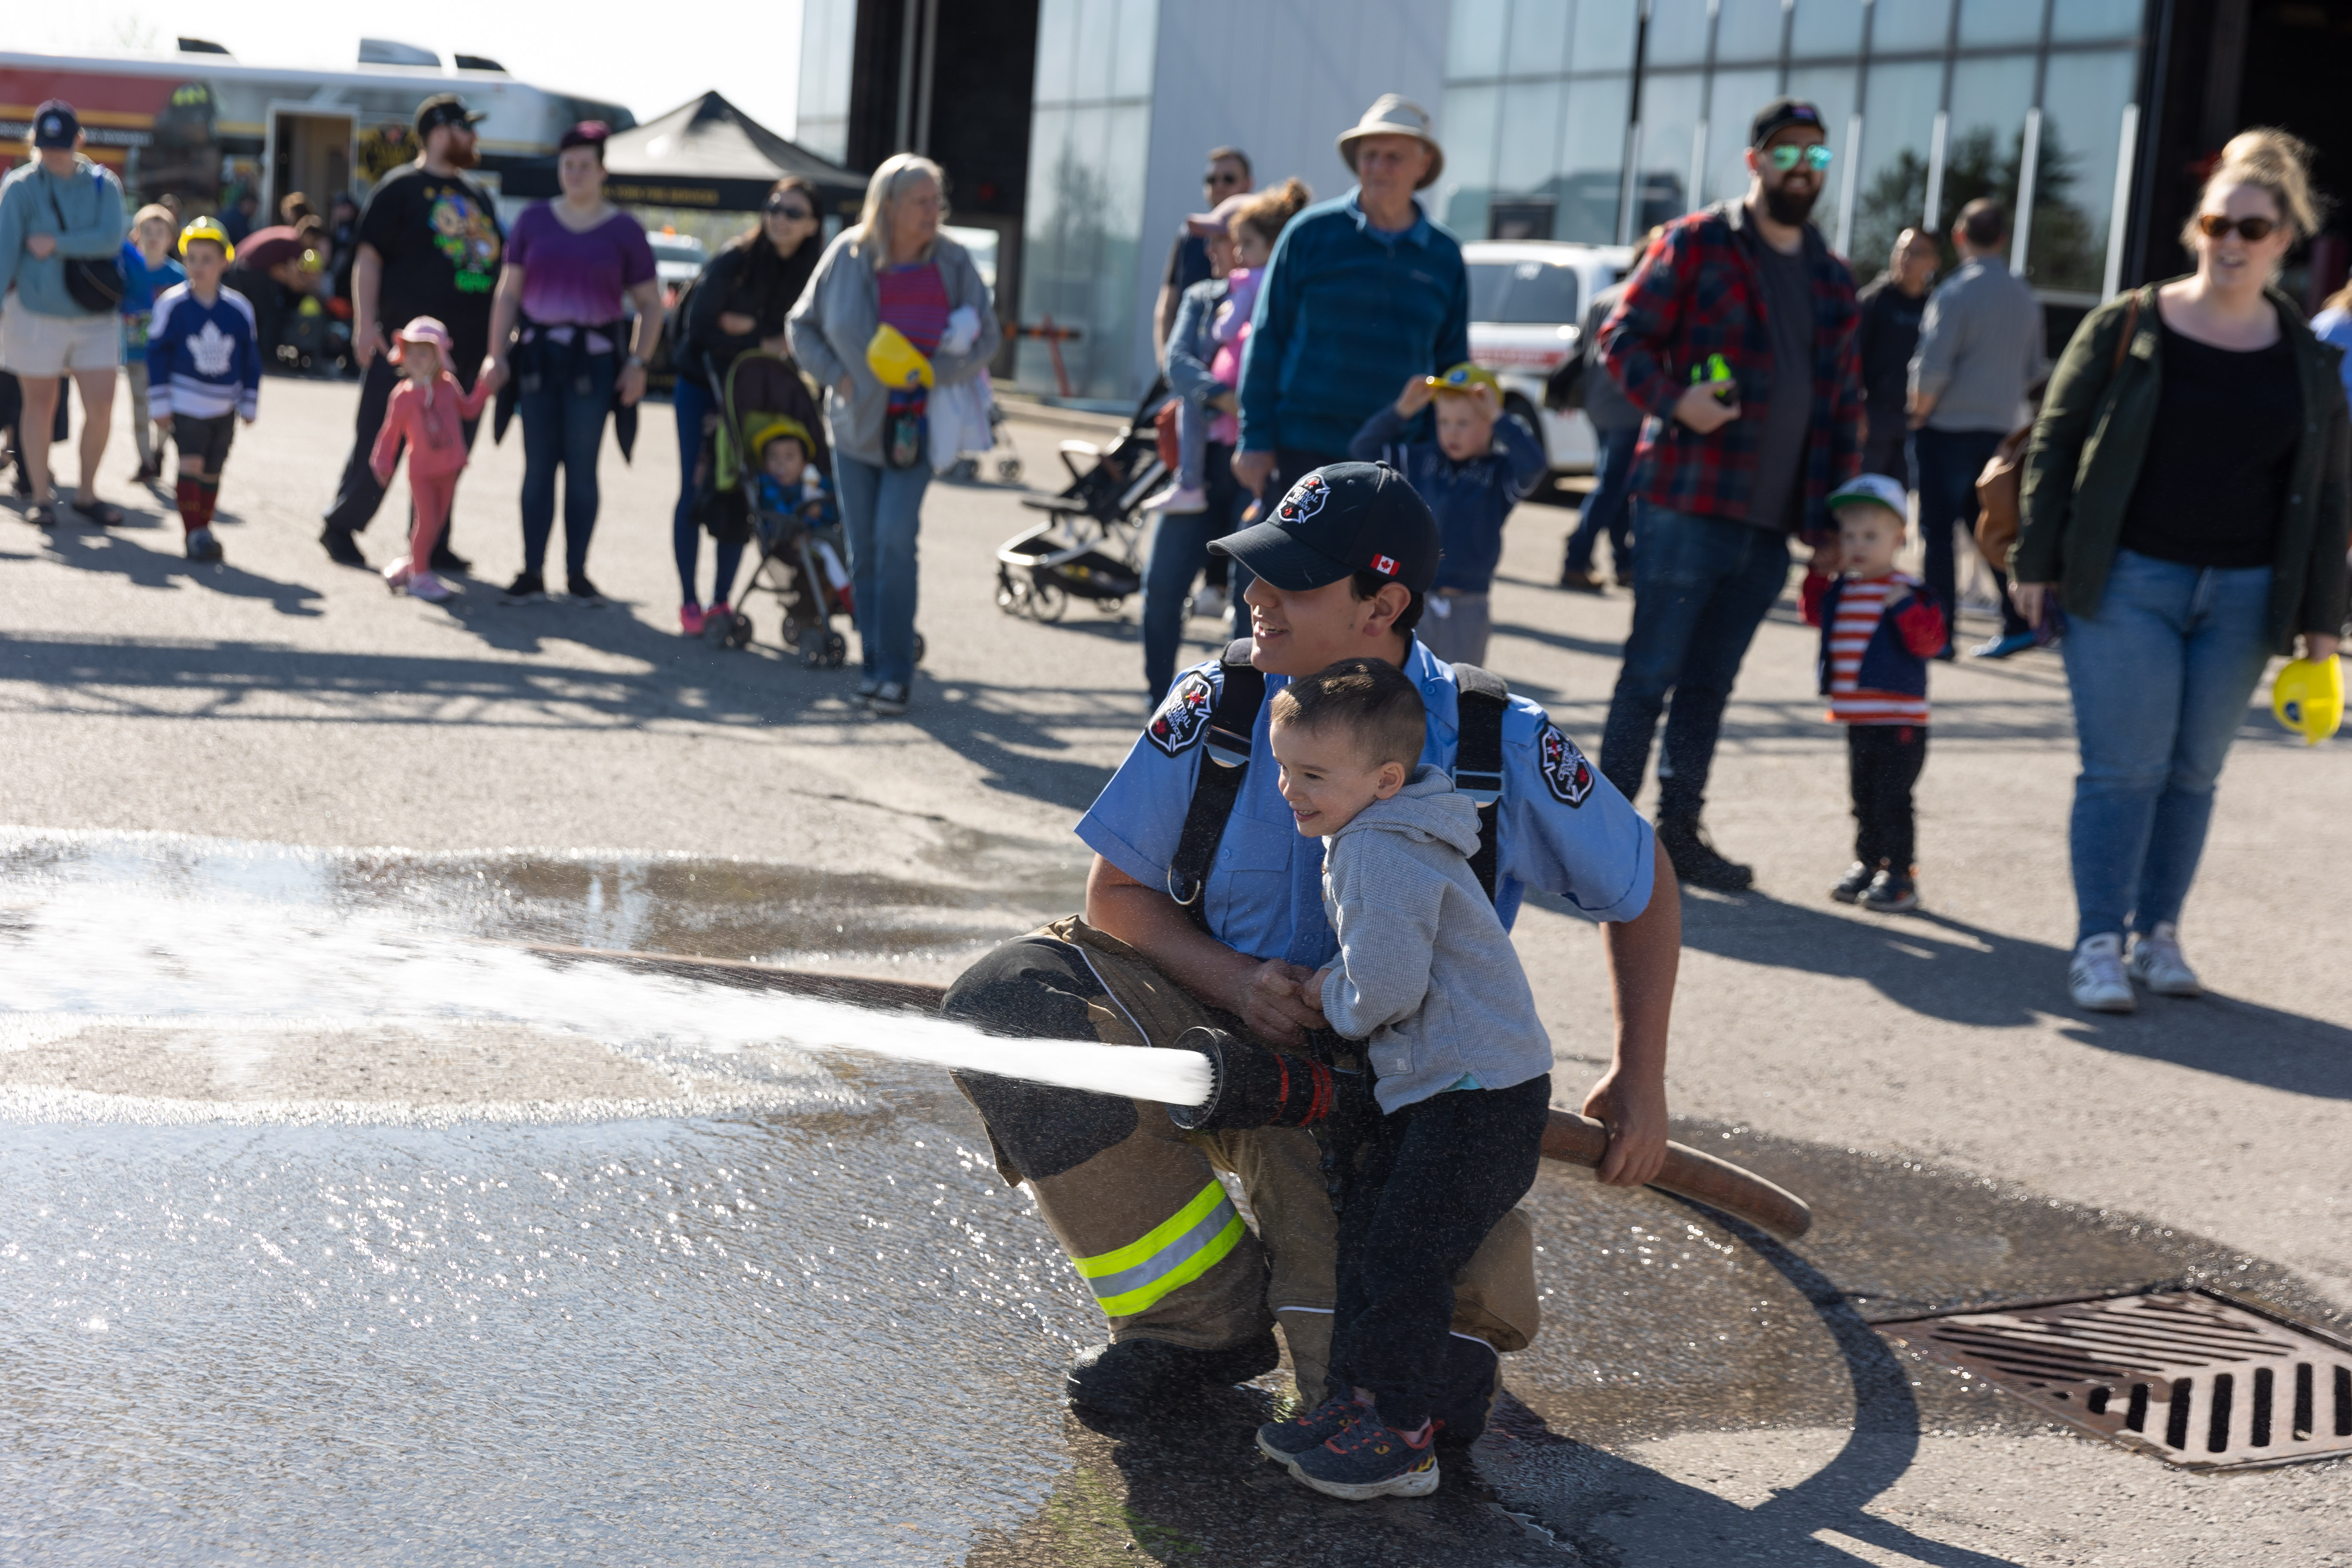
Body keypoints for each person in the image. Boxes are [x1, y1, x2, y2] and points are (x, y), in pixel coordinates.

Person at [938, 460, 1678, 1445]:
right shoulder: (1223, 706)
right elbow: (1115, 897)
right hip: (1209, 1026)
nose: (1254, 596)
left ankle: (1429, 1310)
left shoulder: (1493, 736)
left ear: (1382, 604)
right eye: (1257, 572)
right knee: (1006, 1006)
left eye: (1290, 582)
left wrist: (1641, 1075)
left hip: (1386, 1091)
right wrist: (1237, 982)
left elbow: (1643, 882)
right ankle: (1197, 1324)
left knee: (1381, 1406)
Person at [2012, 128, 2348, 1015]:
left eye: (2252, 227)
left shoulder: (2310, 360)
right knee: (2123, 769)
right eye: (2216, 222)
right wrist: (2035, 562)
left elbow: (2329, 493)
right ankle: (2097, 944)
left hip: (2243, 595)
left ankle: (2158, 935)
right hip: (2127, 583)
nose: (2230, 241)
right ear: (2197, 229)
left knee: (2194, 774)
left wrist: (2325, 621)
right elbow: (2054, 443)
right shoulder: (2129, 322)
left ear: (2286, 238)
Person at [1242, 657, 1556, 1499]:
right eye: (1283, 768)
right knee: (1378, 1256)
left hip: (1477, 1099)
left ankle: (1402, 1435)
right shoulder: (1380, 833)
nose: (1288, 790)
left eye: (1311, 775)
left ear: (1384, 779)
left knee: (1406, 1262)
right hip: (1452, 1087)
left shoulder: (1377, 852)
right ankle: (1354, 1404)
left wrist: (1328, 995)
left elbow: (1384, 987)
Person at [1595, 95, 1864, 892]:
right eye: (1787, 153)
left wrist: (1830, 521)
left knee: (1710, 685)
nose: (1802, 168)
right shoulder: (1697, 242)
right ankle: (1600, 835)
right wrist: (1676, 400)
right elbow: (1621, 337)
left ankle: (1678, 834)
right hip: (1685, 501)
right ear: (1755, 162)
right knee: (1650, 674)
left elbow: (1845, 407)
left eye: (1816, 156)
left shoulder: (1831, 275)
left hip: (1771, 522)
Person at [788, 153, 999, 716]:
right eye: (923, 201)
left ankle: (896, 674)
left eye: (938, 201)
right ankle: (873, 668)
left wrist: (937, 376)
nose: (936, 211)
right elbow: (800, 326)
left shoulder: (953, 261)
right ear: (890, 206)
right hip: (854, 428)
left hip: (917, 428)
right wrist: (836, 376)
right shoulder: (847, 255)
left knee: (893, 541)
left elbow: (989, 336)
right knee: (863, 554)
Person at [1234, 97, 1467, 507]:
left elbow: (1452, 366)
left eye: (1393, 157)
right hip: (1300, 450)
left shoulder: (1445, 256)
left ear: (1423, 164)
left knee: (1374, 575)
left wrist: (1444, 450)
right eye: (1369, 155)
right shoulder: (1309, 233)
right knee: (1279, 570)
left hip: (1395, 460)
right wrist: (1254, 438)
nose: (1378, 167)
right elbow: (1267, 339)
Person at [1141, 181, 1317, 699]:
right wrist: (1235, 400)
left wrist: (1250, 405)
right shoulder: (1202, 298)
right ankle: (1160, 705)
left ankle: (1243, 713)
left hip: (1261, 465)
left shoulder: (1283, 298)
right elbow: (1178, 365)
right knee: (1161, 589)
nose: (1218, 250)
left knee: (1254, 601)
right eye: (1216, 240)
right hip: (1199, 465)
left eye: (1227, 239)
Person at [321, 93, 504, 574]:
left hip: (463, 353)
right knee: (381, 438)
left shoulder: (478, 195)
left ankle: (432, 540)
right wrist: (365, 326)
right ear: (441, 132)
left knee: (449, 448)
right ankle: (342, 525)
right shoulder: (399, 189)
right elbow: (368, 258)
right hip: (408, 351)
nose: (475, 138)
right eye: (467, 128)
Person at [483, 121, 662, 606]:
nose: (576, 174)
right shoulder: (533, 221)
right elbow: (508, 292)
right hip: (538, 360)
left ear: (603, 171)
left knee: (583, 470)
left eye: (586, 166)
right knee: (538, 467)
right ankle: (532, 571)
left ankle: (577, 573)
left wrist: (639, 363)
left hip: (596, 366)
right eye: (568, 165)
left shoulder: (624, 229)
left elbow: (651, 303)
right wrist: (496, 355)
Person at [674, 176, 824, 632]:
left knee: (742, 490)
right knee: (696, 488)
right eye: (775, 208)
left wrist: (752, 332)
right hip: (704, 387)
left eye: (793, 213)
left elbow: (810, 336)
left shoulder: (812, 274)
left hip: (757, 395)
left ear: (812, 224)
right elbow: (699, 330)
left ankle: (722, 601)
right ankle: (689, 600)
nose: (780, 218)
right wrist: (767, 338)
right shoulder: (734, 261)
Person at [1799, 474, 1945, 914]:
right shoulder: (1843, 588)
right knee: (1862, 797)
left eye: (1871, 536)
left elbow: (1931, 643)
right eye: (1849, 536)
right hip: (1857, 718)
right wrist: (1816, 576)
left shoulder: (1910, 591)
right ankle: (1867, 863)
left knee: (1893, 798)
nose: (1858, 545)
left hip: (1900, 721)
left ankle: (1900, 874)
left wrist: (1903, 607)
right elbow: (1813, 616)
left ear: (1899, 539)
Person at [1910, 198, 2044, 661]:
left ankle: (1939, 632)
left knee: (1938, 533)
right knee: (1988, 528)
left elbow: (1932, 366)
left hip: (1946, 427)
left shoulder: (1954, 292)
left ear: (1959, 237)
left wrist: (1919, 412)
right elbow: (2033, 371)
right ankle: (2017, 620)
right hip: (1997, 430)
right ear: (2003, 239)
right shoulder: (2024, 297)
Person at [1348, 363, 1545, 665]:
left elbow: (1534, 465)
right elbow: (1363, 449)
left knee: (1460, 695)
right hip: (1411, 599)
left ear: (1490, 424)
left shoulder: (1500, 473)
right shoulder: (1418, 460)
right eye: (1444, 421)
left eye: (1464, 423)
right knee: (1399, 692)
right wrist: (1403, 409)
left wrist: (1500, 417)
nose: (1451, 431)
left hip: (1468, 605)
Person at [0, 100, 129, 529]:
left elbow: (111, 239)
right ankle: (39, 495)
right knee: (38, 404)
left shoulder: (104, 184)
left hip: (94, 316)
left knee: (102, 405)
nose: (52, 153)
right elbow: (5, 253)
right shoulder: (19, 187)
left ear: (79, 141)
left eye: (61, 144)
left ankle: (88, 492)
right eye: (45, 145)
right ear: (34, 143)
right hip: (36, 314)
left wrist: (55, 242)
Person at [145, 218, 261, 564]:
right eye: (192, 258)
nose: (199, 266)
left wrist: (250, 400)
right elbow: (157, 354)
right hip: (186, 401)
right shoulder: (173, 304)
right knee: (191, 463)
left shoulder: (239, 309)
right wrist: (160, 402)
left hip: (224, 407)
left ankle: (204, 528)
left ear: (225, 261)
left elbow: (251, 358)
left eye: (207, 258)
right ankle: (193, 532)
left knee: (213, 471)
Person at [369, 317, 496, 603]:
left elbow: (469, 410)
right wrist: (382, 462)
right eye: (410, 352)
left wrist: (485, 388)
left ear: (439, 356)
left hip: (449, 468)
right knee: (425, 522)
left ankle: (413, 564)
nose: (416, 359)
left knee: (436, 523)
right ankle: (420, 577)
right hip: (422, 472)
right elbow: (389, 434)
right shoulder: (403, 396)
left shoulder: (448, 386)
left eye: (424, 352)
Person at [1856, 228, 1938, 488]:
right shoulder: (1874, 300)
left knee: (1899, 503)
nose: (1905, 259)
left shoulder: (1936, 306)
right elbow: (1851, 360)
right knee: (1866, 494)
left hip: (1916, 421)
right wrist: (1857, 411)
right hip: (1873, 418)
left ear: (1934, 261)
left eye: (1915, 253)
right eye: (1901, 250)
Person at [1153, 147, 1252, 361]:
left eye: (1228, 179)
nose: (1219, 185)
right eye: (1211, 180)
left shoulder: (1266, 235)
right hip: (1190, 370)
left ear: (1248, 184)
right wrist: (1168, 367)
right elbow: (1167, 308)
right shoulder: (1189, 237)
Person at [120, 203, 185, 482]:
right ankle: (146, 460)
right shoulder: (128, 269)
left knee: (165, 407)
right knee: (139, 407)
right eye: (148, 231)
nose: (154, 237)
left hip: (168, 354)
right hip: (136, 350)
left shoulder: (178, 275)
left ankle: (159, 451)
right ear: (137, 235)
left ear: (171, 239)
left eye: (161, 232)